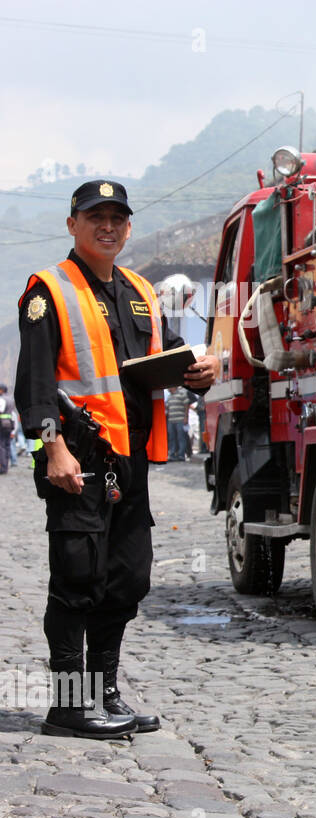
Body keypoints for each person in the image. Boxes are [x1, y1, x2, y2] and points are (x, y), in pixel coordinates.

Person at [14, 180, 220, 739]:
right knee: (78, 575)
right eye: (95, 216)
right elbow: (33, 384)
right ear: (73, 224)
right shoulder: (47, 290)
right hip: (75, 458)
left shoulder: (140, 292)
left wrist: (201, 371)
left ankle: (104, 691)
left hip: (131, 460)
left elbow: (169, 357)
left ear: (128, 227)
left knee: (126, 578)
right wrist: (50, 445)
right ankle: (67, 704)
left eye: (117, 218)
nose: (108, 226)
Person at [166, 387, 195, 461]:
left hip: (180, 420)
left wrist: (186, 417)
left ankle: (181, 455)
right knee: (172, 438)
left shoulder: (182, 394)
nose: (167, 389)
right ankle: (172, 455)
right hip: (171, 420)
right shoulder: (169, 396)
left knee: (181, 438)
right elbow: (167, 407)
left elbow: (186, 406)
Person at [0, 384, 13, 475]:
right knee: (7, 445)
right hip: (9, 424)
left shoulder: (2, 399)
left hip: (1, 424)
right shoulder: (10, 399)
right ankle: (5, 466)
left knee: (1, 446)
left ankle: (2, 467)